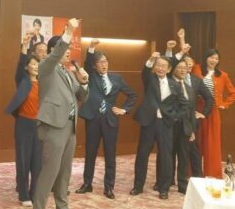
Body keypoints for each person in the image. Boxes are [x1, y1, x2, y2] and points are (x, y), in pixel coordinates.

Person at [31, 18, 89, 209]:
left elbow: (81, 97)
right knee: (50, 170)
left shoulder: (68, 73)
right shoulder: (46, 67)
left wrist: (84, 82)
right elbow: (56, 54)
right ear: (53, 51)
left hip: (70, 127)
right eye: (64, 49)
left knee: (65, 171)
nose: (68, 53)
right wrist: (69, 32)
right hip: (53, 126)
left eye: (69, 50)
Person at [75, 39, 137, 199]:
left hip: (110, 120)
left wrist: (124, 109)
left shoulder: (116, 78)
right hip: (93, 119)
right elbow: (87, 62)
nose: (104, 65)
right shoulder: (92, 75)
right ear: (94, 66)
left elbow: (132, 95)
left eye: (105, 61)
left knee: (110, 154)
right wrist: (91, 48)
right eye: (100, 62)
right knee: (90, 152)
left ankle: (109, 187)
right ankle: (87, 184)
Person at [130, 53, 188, 199]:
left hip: (165, 124)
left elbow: (184, 104)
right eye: (158, 65)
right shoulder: (150, 79)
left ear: (169, 69)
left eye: (163, 66)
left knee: (166, 156)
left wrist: (175, 116)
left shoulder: (175, 84)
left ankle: (164, 189)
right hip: (149, 122)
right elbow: (145, 71)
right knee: (142, 154)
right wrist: (150, 60)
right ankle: (138, 186)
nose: (160, 68)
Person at [5, 31, 42, 207]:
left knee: (37, 161)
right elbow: (20, 66)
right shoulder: (23, 81)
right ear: (27, 68)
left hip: (39, 125)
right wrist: (24, 46)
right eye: (32, 64)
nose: (35, 66)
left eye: (37, 64)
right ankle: (23, 194)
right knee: (23, 159)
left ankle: (35, 193)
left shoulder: (43, 83)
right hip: (24, 123)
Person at [170, 58, 212, 193]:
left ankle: (184, 184)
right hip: (171, 125)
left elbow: (195, 107)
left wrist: (202, 115)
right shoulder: (168, 83)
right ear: (173, 69)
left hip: (187, 125)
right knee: (168, 155)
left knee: (185, 156)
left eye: (186, 67)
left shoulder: (190, 86)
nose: (184, 69)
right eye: (180, 67)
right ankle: (167, 181)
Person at [193, 48, 235, 178]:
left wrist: (224, 104)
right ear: (206, 58)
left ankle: (212, 174)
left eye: (217, 58)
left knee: (212, 144)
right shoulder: (197, 69)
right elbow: (186, 59)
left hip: (213, 111)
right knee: (195, 142)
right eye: (211, 57)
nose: (214, 60)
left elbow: (233, 93)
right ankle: (193, 173)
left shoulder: (222, 75)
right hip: (197, 109)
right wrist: (182, 40)